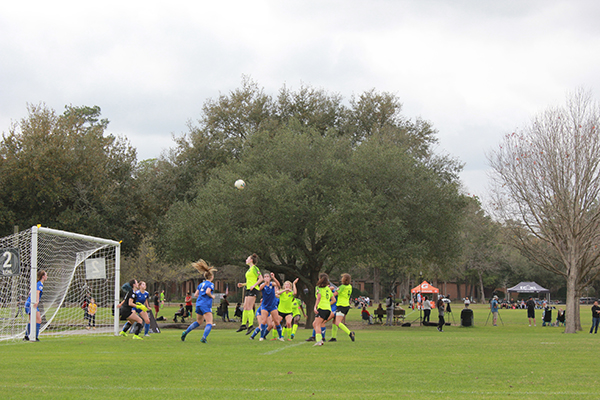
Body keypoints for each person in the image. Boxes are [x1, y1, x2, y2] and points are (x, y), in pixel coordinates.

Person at [181, 260, 217, 343]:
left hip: (198, 304)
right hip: (205, 304)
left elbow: (196, 294)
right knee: (209, 322)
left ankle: (185, 332)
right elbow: (208, 292)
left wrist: (202, 295)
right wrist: (212, 296)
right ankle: (203, 338)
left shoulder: (201, 284)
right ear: (211, 277)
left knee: (199, 321)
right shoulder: (211, 284)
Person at [236, 254, 261, 334]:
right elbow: (250, 282)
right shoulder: (249, 270)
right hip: (248, 289)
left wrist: (254, 285)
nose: (246, 260)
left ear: (251, 260)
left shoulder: (255, 268)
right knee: (245, 307)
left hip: (253, 290)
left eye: (247, 258)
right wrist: (242, 284)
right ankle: (243, 324)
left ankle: (251, 325)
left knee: (249, 307)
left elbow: (261, 278)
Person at [330, 273, 355, 342]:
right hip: (346, 305)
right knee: (334, 321)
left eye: (342, 277)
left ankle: (350, 333)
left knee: (338, 322)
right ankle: (333, 337)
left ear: (344, 279)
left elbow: (334, 294)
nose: (341, 279)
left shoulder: (342, 287)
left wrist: (328, 291)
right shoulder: (349, 286)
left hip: (341, 306)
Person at [24, 270, 48, 341]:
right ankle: (35, 337)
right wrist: (37, 301)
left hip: (28, 303)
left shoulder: (37, 283)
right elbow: (37, 292)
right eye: (46, 275)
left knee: (31, 321)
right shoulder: (39, 284)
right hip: (31, 303)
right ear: (43, 276)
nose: (47, 277)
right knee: (38, 320)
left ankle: (26, 336)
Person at [313, 273, 334, 346]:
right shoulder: (328, 289)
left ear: (320, 279)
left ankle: (319, 341)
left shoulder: (318, 288)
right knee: (314, 324)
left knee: (317, 324)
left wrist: (315, 307)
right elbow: (333, 300)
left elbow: (318, 298)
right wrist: (327, 304)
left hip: (322, 308)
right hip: (328, 309)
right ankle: (320, 339)